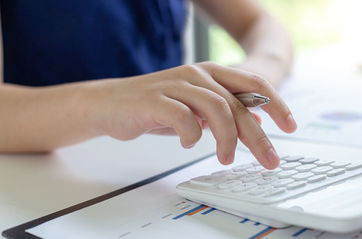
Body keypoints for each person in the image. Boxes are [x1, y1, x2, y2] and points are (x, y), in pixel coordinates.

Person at [0, 0, 296, 169]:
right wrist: (107, 101)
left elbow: (258, 22)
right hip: (46, 182)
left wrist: (258, 71)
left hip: (162, 170)